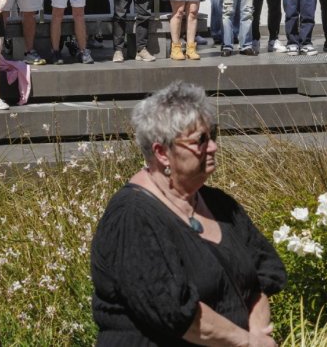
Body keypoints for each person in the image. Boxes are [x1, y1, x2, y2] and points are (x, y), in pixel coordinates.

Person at [90, 81, 287, 346]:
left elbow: (261, 277)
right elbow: (174, 312)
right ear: (162, 153)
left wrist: (258, 335)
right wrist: (247, 342)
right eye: (200, 140)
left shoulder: (220, 205)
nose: (214, 147)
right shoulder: (133, 217)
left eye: (213, 135)